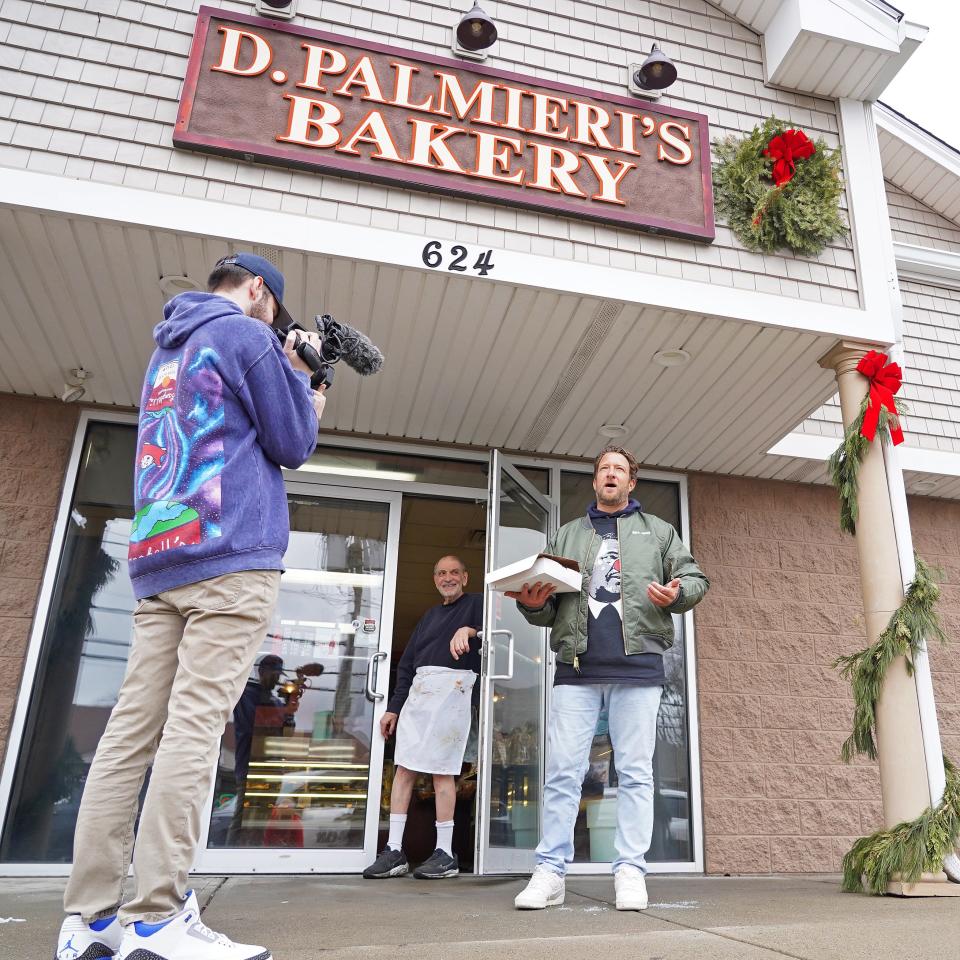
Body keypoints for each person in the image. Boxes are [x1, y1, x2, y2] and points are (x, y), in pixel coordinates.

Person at [56, 253, 325, 960]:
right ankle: (157, 919)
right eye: (275, 310)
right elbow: (293, 442)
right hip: (229, 557)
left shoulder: (167, 351)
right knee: (194, 732)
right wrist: (305, 381)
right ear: (259, 291)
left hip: (161, 558)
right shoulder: (244, 335)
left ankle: (88, 923)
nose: (276, 324)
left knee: (128, 738)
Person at [510, 445, 708, 912]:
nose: (611, 475)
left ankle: (630, 871)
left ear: (631, 482)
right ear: (596, 481)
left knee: (637, 775)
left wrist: (676, 593)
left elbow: (695, 579)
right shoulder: (567, 534)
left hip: (639, 670)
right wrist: (532, 604)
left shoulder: (658, 532)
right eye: (604, 469)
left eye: (620, 469)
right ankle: (550, 872)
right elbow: (545, 606)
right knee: (562, 773)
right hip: (576, 670)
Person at [363, 555, 482, 880]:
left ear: (466, 577)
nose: (448, 578)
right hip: (419, 694)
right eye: (441, 573)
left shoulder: (478, 603)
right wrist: (393, 708)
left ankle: (445, 853)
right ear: (434, 579)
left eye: (454, 572)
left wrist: (470, 630)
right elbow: (407, 666)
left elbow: (500, 633)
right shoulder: (428, 617)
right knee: (404, 770)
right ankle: (394, 850)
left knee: (442, 772)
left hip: (453, 692)